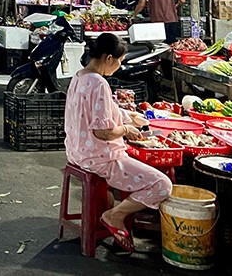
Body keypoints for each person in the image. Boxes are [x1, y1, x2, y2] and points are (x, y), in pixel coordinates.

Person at [65, 33, 172, 252]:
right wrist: (126, 130)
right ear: (108, 58)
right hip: (100, 158)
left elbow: (95, 112)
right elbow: (103, 131)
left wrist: (128, 116)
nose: (119, 67)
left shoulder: (79, 76)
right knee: (162, 185)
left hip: (77, 152)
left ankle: (112, 212)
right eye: (119, 62)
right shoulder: (99, 83)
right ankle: (114, 216)